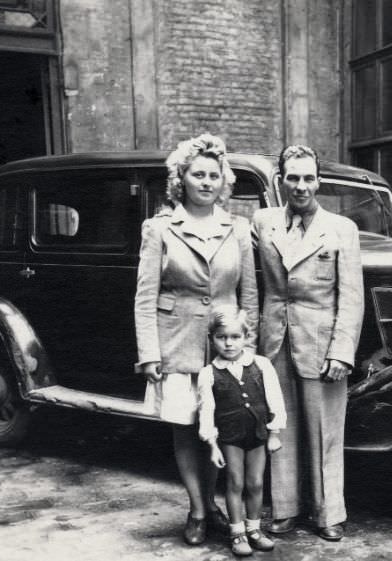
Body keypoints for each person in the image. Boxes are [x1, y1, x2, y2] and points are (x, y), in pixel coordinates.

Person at [134, 133, 258, 546]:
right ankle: (199, 509)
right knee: (187, 430)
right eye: (197, 174)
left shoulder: (237, 228)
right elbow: (145, 296)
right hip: (178, 344)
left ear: (224, 181)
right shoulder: (160, 228)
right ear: (181, 179)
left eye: (214, 175)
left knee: (222, 430)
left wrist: (249, 348)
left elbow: (249, 295)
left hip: (225, 345)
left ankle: (215, 503)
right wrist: (150, 353)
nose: (206, 181)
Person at [251, 144, 364, 541]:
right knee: (280, 427)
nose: (301, 187)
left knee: (325, 431)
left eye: (308, 178)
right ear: (281, 181)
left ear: (319, 181)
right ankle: (284, 509)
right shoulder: (263, 222)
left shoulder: (341, 229)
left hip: (321, 344)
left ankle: (328, 513)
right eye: (293, 178)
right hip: (275, 340)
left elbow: (351, 297)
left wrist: (341, 351)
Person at [197, 305, 286, 556]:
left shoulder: (261, 365)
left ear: (246, 338)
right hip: (230, 437)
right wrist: (212, 445)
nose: (228, 344)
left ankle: (254, 529)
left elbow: (275, 400)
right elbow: (206, 410)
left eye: (235, 337)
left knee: (256, 483)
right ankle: (237, 533)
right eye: (221, 337)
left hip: (257, 434)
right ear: (211, 339)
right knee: (235, 482)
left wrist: (275, 433)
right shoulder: (209, 374)